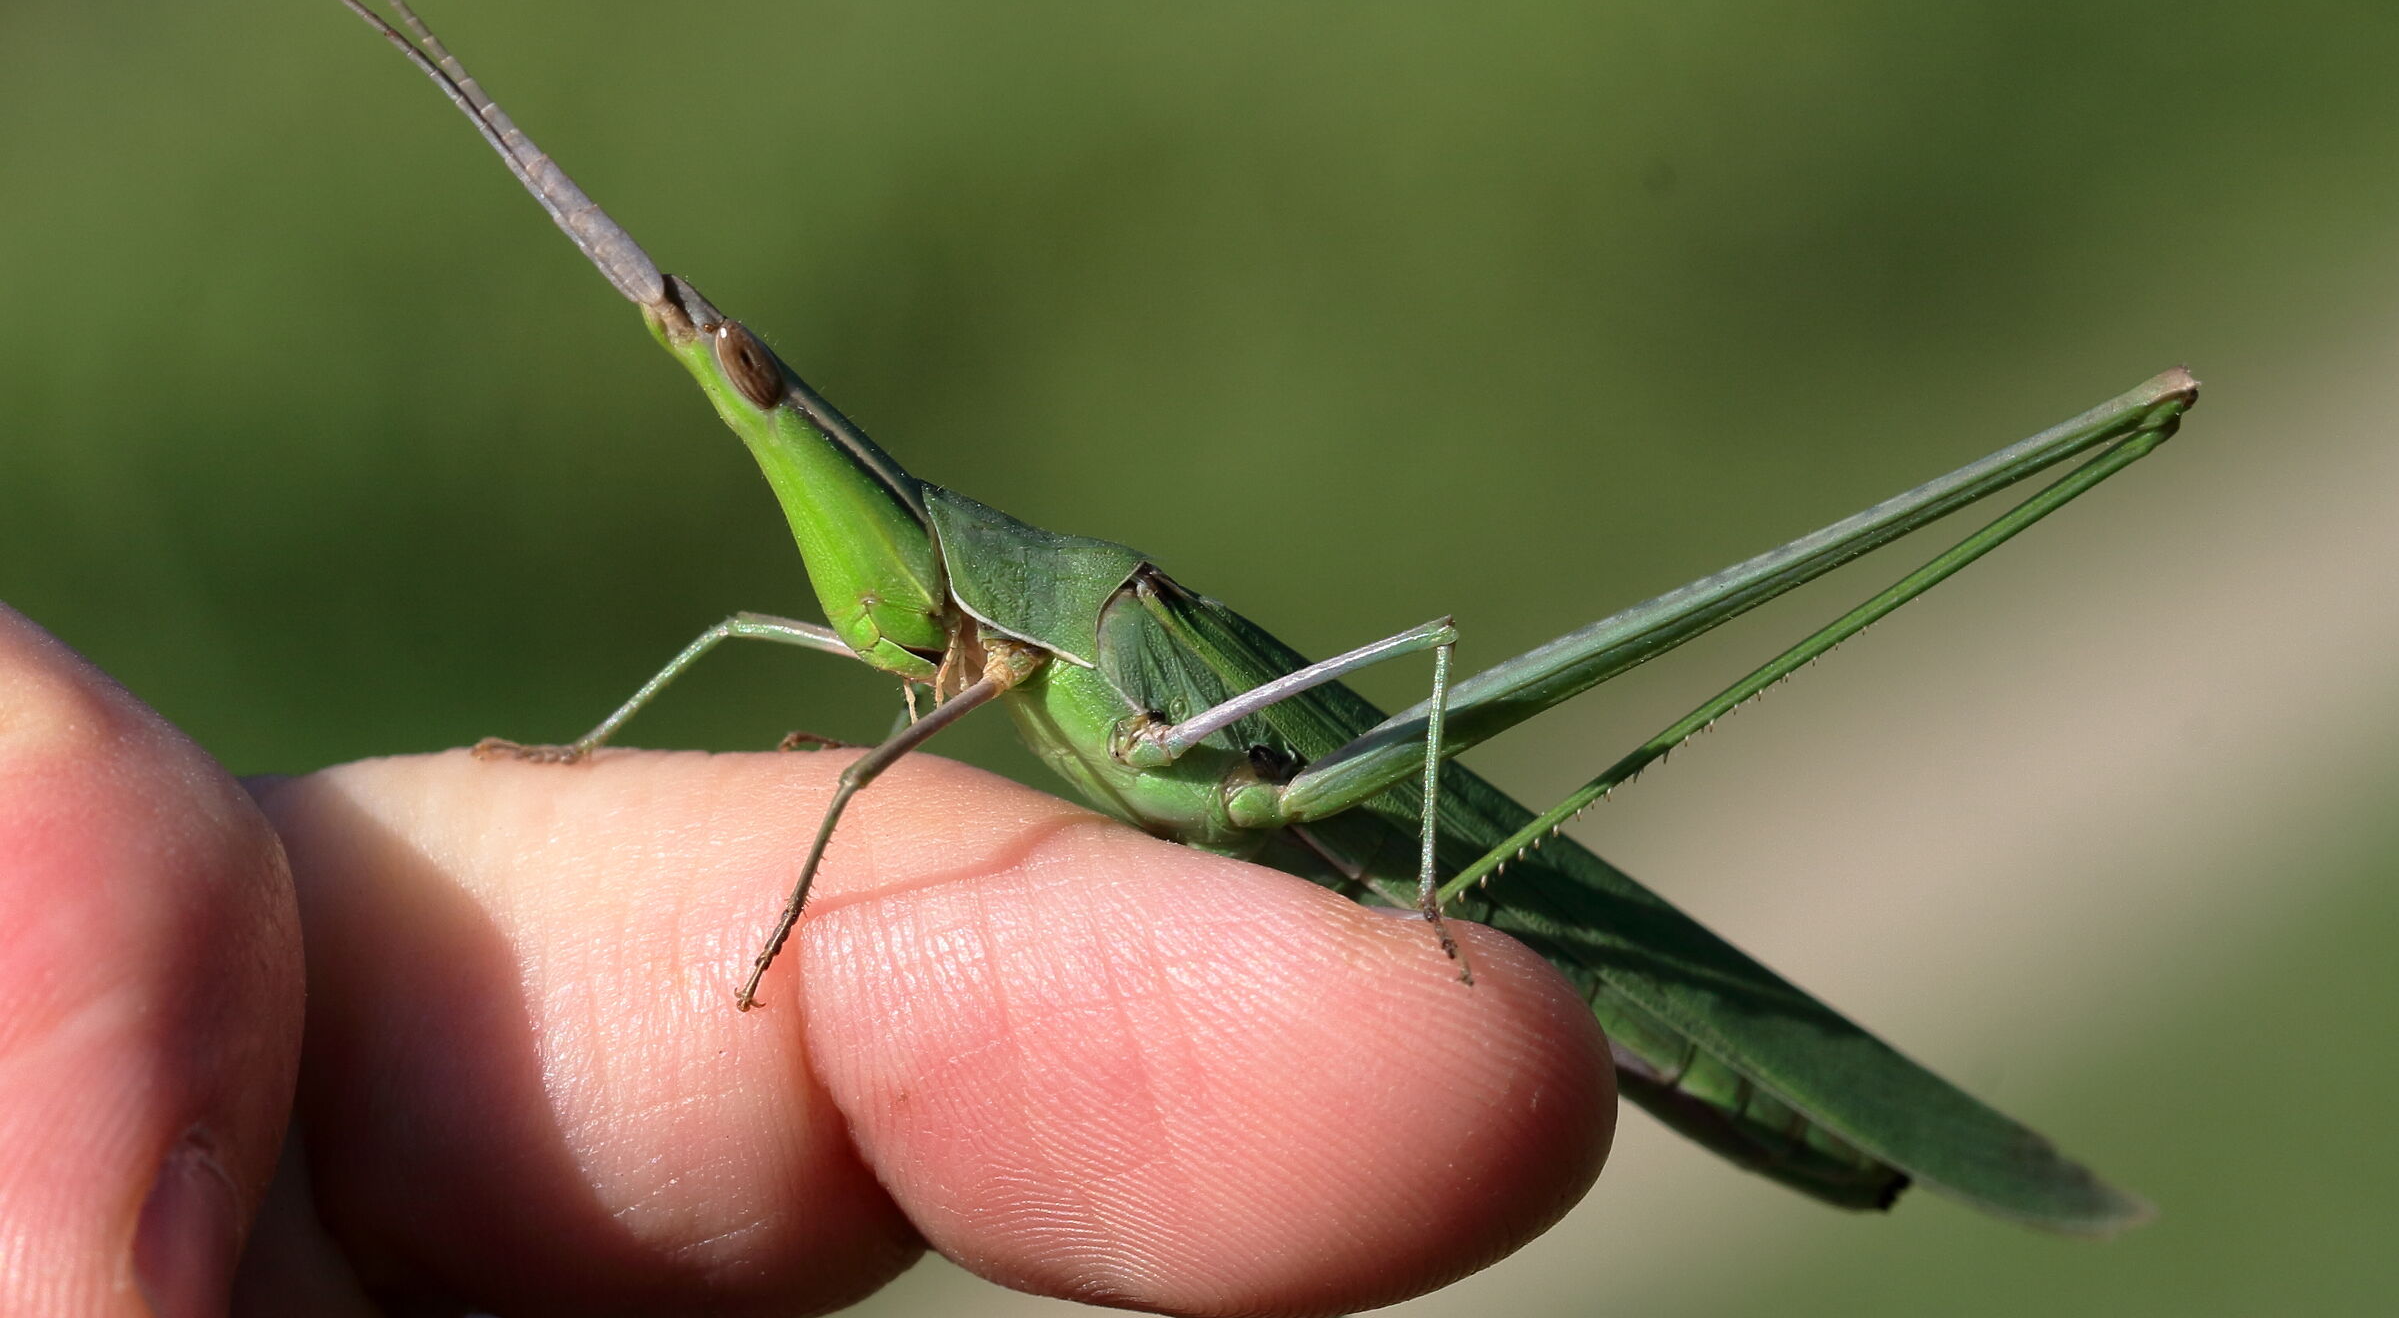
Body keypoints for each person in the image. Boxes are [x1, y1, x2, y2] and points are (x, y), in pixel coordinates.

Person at [0, 604, 1613, 1316]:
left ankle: (1437, 888)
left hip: (1324, 788)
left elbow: (863, 779)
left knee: (1442, 663)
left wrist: (1431, 898)